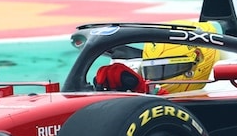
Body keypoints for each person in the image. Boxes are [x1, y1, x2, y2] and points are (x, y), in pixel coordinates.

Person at [93, 21, 223, 93]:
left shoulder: (225, 94)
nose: (157, 80)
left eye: (166, 69)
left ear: (198, 59)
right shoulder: (142, 86)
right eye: (152, 71)